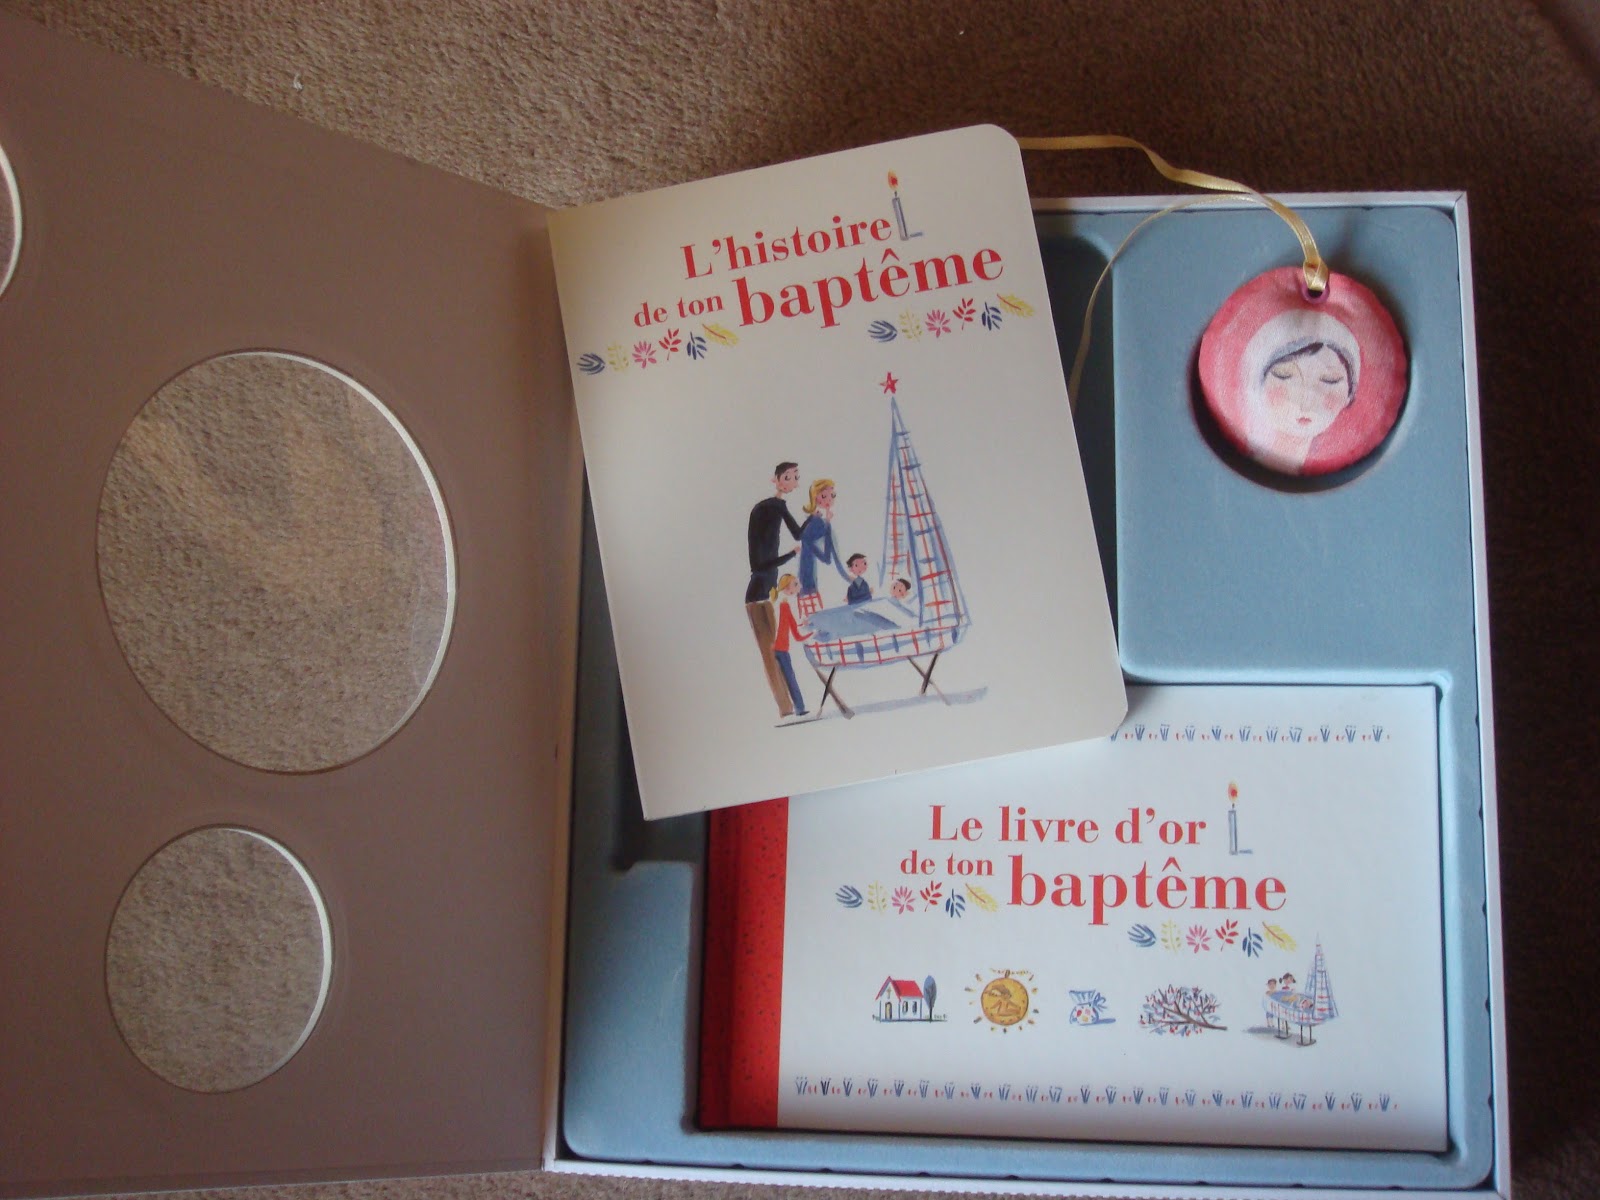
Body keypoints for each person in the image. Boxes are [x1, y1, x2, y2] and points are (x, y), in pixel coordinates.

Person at [746, 462, 803, 716]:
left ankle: (789, 707)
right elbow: (760, 565)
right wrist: (790, 555)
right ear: (777, 480)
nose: (794, 483)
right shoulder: (767, 508)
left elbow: (797, 532)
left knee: (775, 653)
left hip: (764, 595)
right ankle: (785, 708)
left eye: (796, 478)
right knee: (771, 655)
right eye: (789, 477)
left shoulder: (776, 507)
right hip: (757, 597)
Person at [796, 477, 850, 617]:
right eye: (824, 496)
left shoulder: (818, 520)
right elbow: (825, 556)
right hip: (809, 566)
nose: (829, 500)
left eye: (832, 495)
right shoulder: (817, 522)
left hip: (809, 565)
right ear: (815, 498)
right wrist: (827, 524)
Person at [769, 573, 812, 718]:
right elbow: (792, 629)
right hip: (780, 649)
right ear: (787, 588)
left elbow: (793, 629)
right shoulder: (783, 606)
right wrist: (810, 632)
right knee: (789, 679)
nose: (799, 586)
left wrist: (805, 631)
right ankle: (799, 708)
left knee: (784, 679)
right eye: (796, 584)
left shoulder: (781, 604)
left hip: (779, 649)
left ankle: (795, 708)